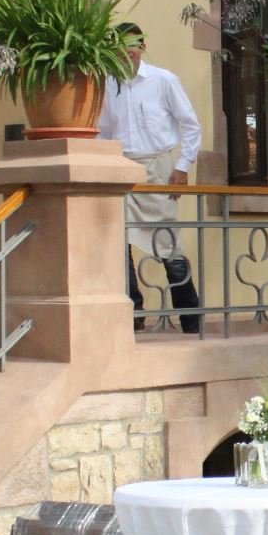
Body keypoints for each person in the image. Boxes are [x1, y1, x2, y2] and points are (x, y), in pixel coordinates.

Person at [98, 22, 203, 332]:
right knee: (119, 241)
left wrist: (182, 167)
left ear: (142, 47)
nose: (126, 51)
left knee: (168, 244)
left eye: (132, 45)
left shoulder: (163, 80)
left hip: (158, 168)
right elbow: (102, 132)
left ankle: (191, 319)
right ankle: (134, 314)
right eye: (120, 46)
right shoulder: (106, 84)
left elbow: (190, 125)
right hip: (121, 168)